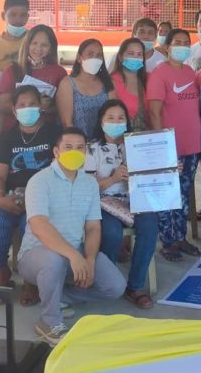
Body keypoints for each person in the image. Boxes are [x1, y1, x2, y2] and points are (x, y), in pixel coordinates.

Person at [17, 128, 127, 345]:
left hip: (72, 252)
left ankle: (57, 295)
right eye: (68, 147)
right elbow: (39, 226)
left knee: (115, 286)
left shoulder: (89, 184)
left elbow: (93, 227)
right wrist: (75, 257)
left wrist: (90, 259)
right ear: (56, 152)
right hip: (36, 255)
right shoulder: (39, 181)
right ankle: (49, 321)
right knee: (54, 259)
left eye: (80, 148)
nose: (75, 152)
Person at [0, 85, 59, 304]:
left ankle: (31, 278)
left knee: (33, 226)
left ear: (41, 107)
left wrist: (36, 200)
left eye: (33, 104)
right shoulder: (6, 139)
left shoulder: (55, 134)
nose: (28, 109)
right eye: (22, 105)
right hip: (12, 196)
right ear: (14, 111)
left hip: (45, 199)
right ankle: (0, 270)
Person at [84, 100, 157, 310]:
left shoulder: (136, 146)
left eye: (121, 118)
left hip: (133, 201)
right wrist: (113, 178)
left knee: (150, 225)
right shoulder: (91, 149)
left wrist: (169, 168)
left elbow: (153, 173)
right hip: (102, 204)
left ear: (127, 122)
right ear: (101, 121)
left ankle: (134, 287)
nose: (116, 122)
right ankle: (107, 282)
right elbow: (87, 187)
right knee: (112, 233)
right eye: (110, 118)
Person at [147, 28, 201, 262]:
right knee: (168, 195)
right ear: (167, 47)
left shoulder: (190, 72)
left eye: (185, 43)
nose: (181, 46)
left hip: (193, 145)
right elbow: (154, 112)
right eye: (177, 42)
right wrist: (163, 147)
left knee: (183, 194)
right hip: (171, 147)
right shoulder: (159, 74)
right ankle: (167, 241)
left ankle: (180, 237)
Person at [0, 24, 65, 132]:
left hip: (45, 132)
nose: (38, 48)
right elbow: (3, 104)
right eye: (34, 43)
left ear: (51, 48)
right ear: (27, 45)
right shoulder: (12, 70)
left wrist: (44, 109)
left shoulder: (59, 72)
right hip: (15, 132)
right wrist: (33, 108)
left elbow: (63, 106)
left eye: (44, 45)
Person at [56, 38, 116, 138]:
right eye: (90, 54)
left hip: (105, 145)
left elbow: (114, 115)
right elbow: (67, 123)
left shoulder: (108, 83)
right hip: (78, 145)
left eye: (99, 55)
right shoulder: (67, 84)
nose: (95, 58)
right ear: (79, 58)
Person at [109, 37, 149, 130]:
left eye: (139, 54)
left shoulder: (149, 79)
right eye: (131, 54)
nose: (135, 57)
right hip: (120, 137)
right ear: (120, 57)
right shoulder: (112, 81)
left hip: (146, 138)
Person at [0, 0, 31, 72]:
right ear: (3, 16)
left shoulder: (34, 40)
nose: (18, 20)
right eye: (13, 15)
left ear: (27, 17)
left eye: (23, 15)